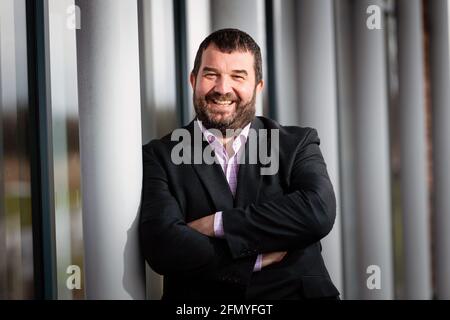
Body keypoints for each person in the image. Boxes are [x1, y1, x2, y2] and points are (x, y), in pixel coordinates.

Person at [139, 28, 340, 300]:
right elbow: (161, 246)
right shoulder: (161, 155)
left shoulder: (296, 144)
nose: (222, 89)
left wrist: (217, 224)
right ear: (193, 80)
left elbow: (316, 212)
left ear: (258, 86)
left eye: (237, 76)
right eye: (211, 75)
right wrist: (252, 260)